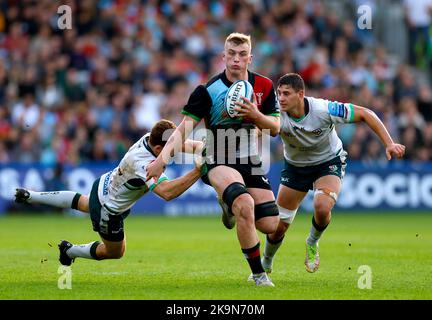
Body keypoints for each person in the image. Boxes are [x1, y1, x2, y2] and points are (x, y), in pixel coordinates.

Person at [146, 33, 281, 286]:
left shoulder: (264, 86)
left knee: (271, 224)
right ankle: (258, 275)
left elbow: (274, 128)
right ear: (223, 56)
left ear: (250, 58)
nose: (236, 59)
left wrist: (256, 115)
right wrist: (162, 160)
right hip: (217, 157)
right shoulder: (207, 91)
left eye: (242, 55)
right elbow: (184, 128)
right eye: (231, 54)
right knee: (244, 204)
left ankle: (226, 204)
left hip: (249, 159)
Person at [260, 73, 405, 274]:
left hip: (327, 162)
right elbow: (257, 130)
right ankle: (265, 263)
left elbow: (365, 113)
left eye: (286, 93)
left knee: (321, 206)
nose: (281, 98)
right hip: (295, 167)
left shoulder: (323, 109)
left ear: (300, 94)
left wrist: (389, 143)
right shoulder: (276, 114)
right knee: (278, 226)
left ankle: (312, 242)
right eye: (279, 93)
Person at [14, 119, 205, 266]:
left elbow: (194, 146)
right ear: (158, 149)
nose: (174, 151)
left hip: (104, 184)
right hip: (109, 208)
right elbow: (167, 193)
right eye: (170, 149)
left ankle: (31, 196)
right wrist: (198, 170)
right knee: (115, 252)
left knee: (84, 203)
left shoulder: (153, 138)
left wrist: (210, 150)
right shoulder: (144, 162)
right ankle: (69, 250)